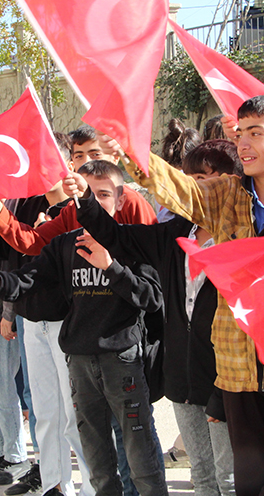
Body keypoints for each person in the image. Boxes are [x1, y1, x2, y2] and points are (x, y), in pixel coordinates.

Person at [105, 95, 264, 496]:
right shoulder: (225, 195)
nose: (242, 143)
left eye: (256, 133)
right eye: (240, 133)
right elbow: (177, 189)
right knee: (250, 486)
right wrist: (130, 149)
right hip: (235, 371)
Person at [0, 160, 167, 496]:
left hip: (122, 360)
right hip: (78, 360)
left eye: (103, 195)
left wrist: (111, 267)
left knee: (138, 448)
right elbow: (31, 276)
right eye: (86, 195)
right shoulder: (65, 243)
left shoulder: (132, 243)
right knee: (95, 452)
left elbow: (151, 297)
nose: (92, 202)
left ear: (121, 200)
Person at [70, 139, 242, 496]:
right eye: (188, 178)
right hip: (182, 376)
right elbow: (116, 236)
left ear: (230, 183)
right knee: (204, 477)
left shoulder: (242, 237)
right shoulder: (174, 233)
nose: (193, 189)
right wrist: (86, 202)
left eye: (204, 179)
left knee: (231, 478)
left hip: (225, 378)